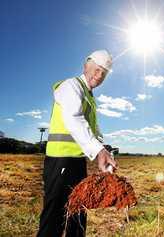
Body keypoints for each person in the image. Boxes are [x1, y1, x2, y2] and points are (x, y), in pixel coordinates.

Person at [37, 50, 117, 237]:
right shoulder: (71, 86)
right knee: (55, 217)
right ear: (85, 65)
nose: (99, 76)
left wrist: (103, 149)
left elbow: (93, 130)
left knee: (78, 215)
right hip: (60, 161)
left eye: (103, 74)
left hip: (77, 162)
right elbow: (74, 119)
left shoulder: (90, 97)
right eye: (97, 70)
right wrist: (98, 150)